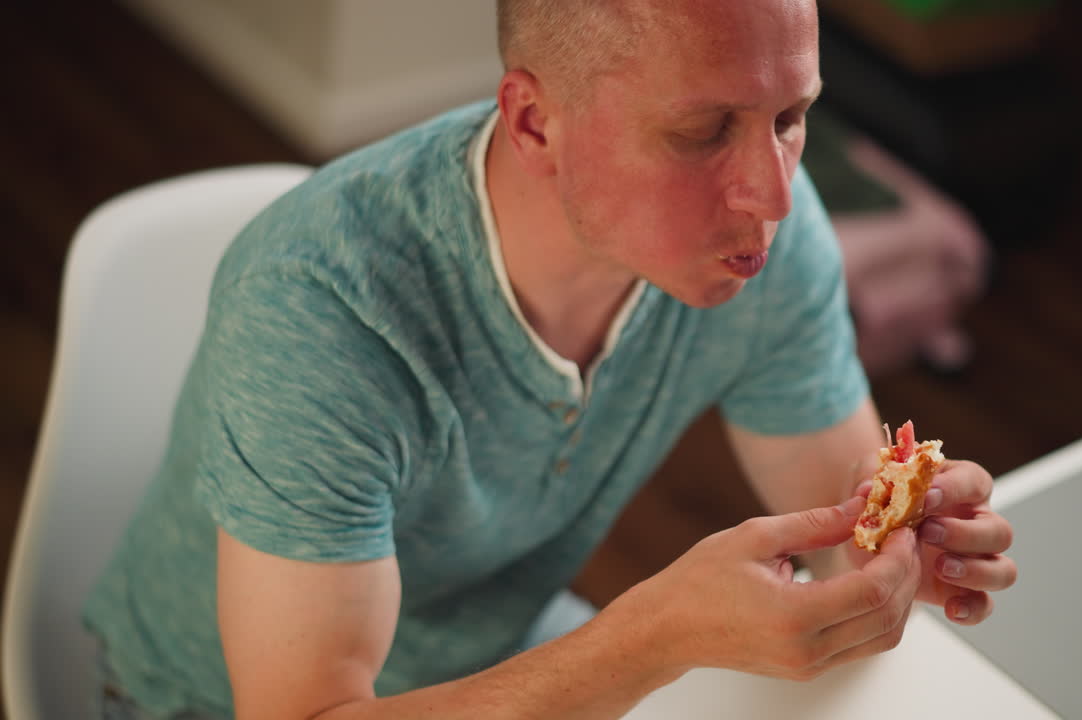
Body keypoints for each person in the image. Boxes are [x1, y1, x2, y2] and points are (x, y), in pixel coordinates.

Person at [82, 0, 1017, 717]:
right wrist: (652, 637)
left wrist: (906, 544)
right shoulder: (319, 308)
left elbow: (840, 511)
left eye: (790, 116)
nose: (772, 193)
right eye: (704, 131)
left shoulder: (769, 238)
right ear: (533, 124)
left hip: (505, 656)